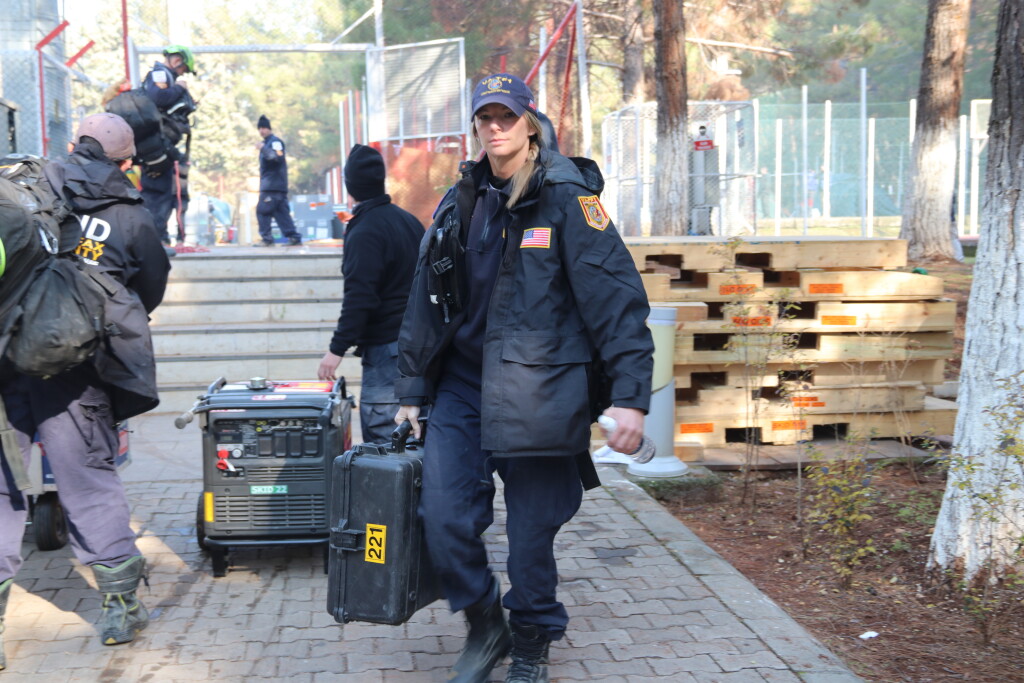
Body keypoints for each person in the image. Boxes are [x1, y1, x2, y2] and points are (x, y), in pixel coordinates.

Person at [393, 74, 653, 683]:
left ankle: (532, 640)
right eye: (484, 117)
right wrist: (410, 388)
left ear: (529, 123)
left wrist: (631, 397)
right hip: (462, 387)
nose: (494, 127)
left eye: (505, 116)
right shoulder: (462, 198)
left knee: (532, 536)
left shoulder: (567, 198)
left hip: (542, 391)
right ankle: (486, 624)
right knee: (443, 514)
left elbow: (616, 300)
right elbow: (426, 297)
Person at [0, 113, 170, 669]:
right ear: (128, 163)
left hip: (7, 358)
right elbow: (149, 288)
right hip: (77, 368)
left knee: (2, 488)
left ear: (74, 144)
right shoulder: (131, 216)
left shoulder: (30, 187)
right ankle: (121, 609)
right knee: (89, 481)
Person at [317, 144, 423, 442]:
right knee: (416, 436)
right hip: (418, 346)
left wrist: (336, 350)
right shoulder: (408, 221)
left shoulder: (365, 230)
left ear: (350, 185)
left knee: (386, 443)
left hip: (387, 352)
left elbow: (360, 297)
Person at [140, 44, 196, 245]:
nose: (182, 74)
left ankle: (160, 238)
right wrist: (180, 88)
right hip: (155, 146)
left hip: (160, 144)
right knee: (157, 193)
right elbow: (159, 97)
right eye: (183, 69)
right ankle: (156, 240)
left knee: (161, 192)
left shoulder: (165, 76)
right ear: (177, 60)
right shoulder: (160, 73)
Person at [254, 115, 302, 247]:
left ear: (269, 128)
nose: (261, 131)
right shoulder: (268, 143)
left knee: (262, 211)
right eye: (260, 128)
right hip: (277, 186)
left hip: (272, 186)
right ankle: (294, 237)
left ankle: (267, 239)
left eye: (264, 128)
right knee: (281, 213)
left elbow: (276, 157)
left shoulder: (275, 143)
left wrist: (263, 148)